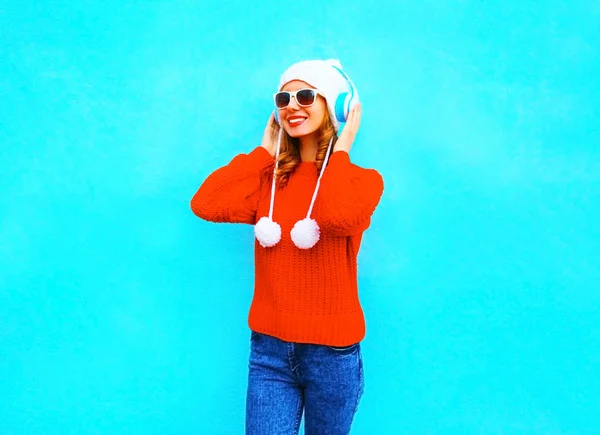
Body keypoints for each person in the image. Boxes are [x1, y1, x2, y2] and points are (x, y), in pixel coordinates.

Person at [190, 59, 384, 434]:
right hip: (269, 353)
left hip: (332, 356)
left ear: (336, 104)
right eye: (284, 98)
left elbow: (337, 217)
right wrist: (263, 153)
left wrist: (342, 148)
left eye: (307, 95)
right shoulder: (269, 182)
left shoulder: (362, 181)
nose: (293, 105)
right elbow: (206, 203)